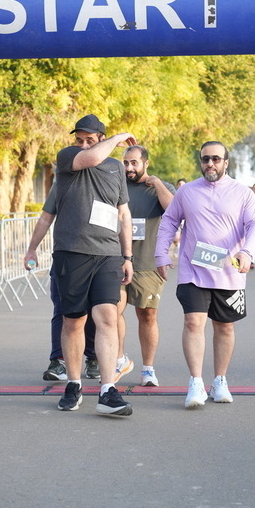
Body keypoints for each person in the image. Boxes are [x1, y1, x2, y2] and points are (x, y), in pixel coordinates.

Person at [155, 140, 255, 409]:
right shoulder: (187, 191)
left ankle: (219, 380)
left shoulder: (242, 193)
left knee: (224, 326)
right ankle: (195, 382)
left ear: (226, 162)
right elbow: (169, 220)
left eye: (215, 159)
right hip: (193, 269)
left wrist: (247, 252)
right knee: (193, 322)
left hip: (229, 271)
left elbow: (254, 224)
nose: (210, 164)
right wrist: (161, 253)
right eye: (205, 159)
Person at [52, 114, 136, 416]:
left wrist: (127, 257)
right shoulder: (68, 157)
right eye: (80, 139)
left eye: (90, 139)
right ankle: (73, 385)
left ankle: (107, 390)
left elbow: (123, 214)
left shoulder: (115, 168)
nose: (83, 144)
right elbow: (91, 158)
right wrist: (118, 138)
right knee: (73, 321)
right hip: (72, 252)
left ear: (100, 137)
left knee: (108, 317)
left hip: (108, 254)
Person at [23, 185, 99, 382]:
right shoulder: (62, 184)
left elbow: (121, 218)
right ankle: (59, 361)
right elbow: (45, 218)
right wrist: (32, 249)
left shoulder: (106, 180)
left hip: (98, 258)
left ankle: (93, 358)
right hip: (65, 258)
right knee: (63, 310)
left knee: (94, 311)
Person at [116, 145, 175, 387]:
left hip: (147, 263)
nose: (129, 167)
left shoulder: (160, 188)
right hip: (116, 260)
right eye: (126, 163)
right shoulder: (117, 185)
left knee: (147, 315)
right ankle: (119, 359)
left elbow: (174, 209)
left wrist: (158, 183)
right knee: (112, 311)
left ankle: (148, 369)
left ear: (145, 163)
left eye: (134, 163)